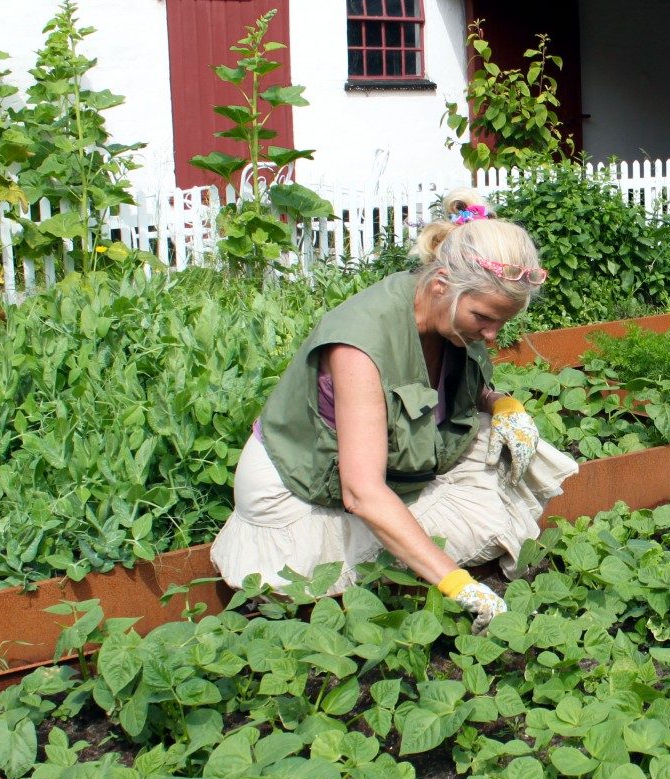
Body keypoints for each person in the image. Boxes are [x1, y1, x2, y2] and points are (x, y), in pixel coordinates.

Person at [210, 189, 578, 629]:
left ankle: (408, 553)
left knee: (502, 442)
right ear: (442, 285)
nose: (494, 334)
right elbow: (361, 492)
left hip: (387, 462)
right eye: (484, 318)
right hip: (303, 489)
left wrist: (502, 403)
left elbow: (456, 388)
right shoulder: (360, 346)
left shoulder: (446, 314)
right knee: (335, 577)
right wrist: (457, 583)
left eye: (503, 322)